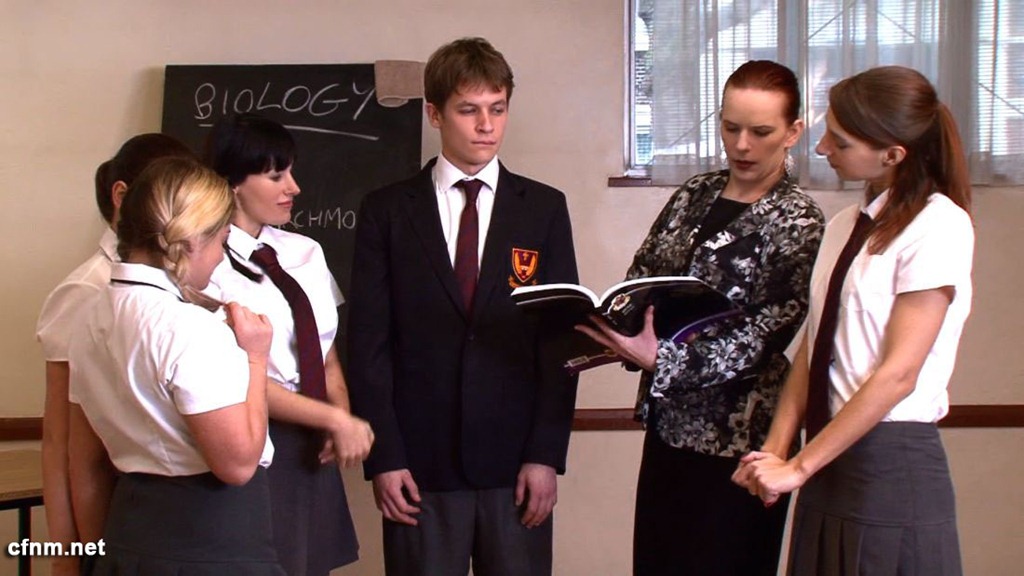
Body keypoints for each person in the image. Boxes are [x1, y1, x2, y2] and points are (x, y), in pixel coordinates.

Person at [577, 60, 825, 575]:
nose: (741, 145)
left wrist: (663, 360)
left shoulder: (798, 219)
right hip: (669, 429)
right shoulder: (694, 193)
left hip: (740, 443)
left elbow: (765, 334)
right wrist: (610, 325)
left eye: (760, 132)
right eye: (730, 127)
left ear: (793, 132)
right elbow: (642, 276)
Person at [346, 37, 579, 576]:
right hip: (419, 466)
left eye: (498, 109)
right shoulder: (387, 210)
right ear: (434, 114)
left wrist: (545, 454)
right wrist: (386, 456)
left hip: (516, 464)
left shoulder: (544, 208)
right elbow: (369, 344)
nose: (486, 126)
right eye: (469, 110)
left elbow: (560, 344)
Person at [733, 65, 973, 575]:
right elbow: (816, 345)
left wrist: (799, 467)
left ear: (892, 155)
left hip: (890, 462)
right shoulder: (845, 225)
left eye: (839, 141)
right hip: (827, 458)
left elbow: (899, 374)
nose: (822, 148)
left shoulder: (939, 225)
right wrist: (774, 452)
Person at [67, 156, 284, 574]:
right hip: (210, 538)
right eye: (221, 240)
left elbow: (86, 451)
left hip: (129, 529)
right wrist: (256, 356)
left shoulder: (88, 317)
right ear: (189, 242)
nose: (220, 259)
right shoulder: (188, 328)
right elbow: (237, 465)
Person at [202, 112, 374, 576]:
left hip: (314, 439)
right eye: (276, 176)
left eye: (291, 173)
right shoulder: (208, 265)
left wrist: (337, 413)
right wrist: (331, 418)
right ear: (233, 183)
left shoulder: (305, 252)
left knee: (313, 564)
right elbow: (239, 376)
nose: (293, 188)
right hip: (258, 436)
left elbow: (325, 348)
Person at [35, 133, 194, 576]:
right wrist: (68, 559)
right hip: (121, 509)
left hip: (180, 516)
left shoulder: (181, 278)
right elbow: (63, 445)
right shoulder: (86, 289)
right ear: (122, 196)